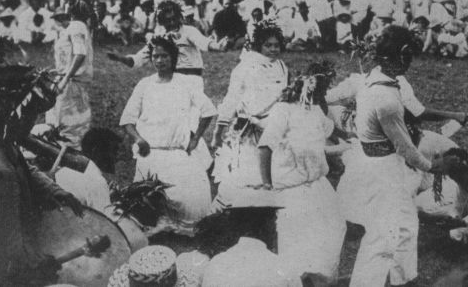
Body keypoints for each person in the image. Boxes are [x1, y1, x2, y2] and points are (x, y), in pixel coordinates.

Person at [0, 65, 84, 287]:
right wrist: (38, 264)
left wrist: (54, 190)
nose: (31, 124)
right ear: (11, 115)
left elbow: (20, 163)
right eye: (30, 116)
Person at [347, 25, 456, 287]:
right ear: (402, 54)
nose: (410, 62)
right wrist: (432, 167)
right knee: (382, 237)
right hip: (382, 169)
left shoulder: (375, 78)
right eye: (408, 56)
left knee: (406, 225)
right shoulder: (385, 97)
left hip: (385, 164)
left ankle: (404, 280)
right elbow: (404, 147)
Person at [257, 62, 346, 285]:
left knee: (333, 228)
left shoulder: (315, 110)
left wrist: (354, 137)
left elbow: (330, 129)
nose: (322, 97)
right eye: (321, 91)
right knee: (299, 239)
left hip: (318, 184)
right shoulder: (284, 110)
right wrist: (267, 184)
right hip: (292, 187)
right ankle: (298, 280)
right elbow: (265, 147)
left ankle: (318, 279)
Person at [120, 34, 216, 236]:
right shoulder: (145, 84)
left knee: (193, 204)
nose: (160, 60)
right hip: (150, 154)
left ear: (173, 58)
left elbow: (208, 111)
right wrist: (138, 139)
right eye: (155, 56)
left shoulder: (185, 83)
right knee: (146, 203)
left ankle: (177, 226)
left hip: (176, 153)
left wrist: (196, 138)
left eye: (164, 56)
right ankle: (158, 224)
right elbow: (127, 120)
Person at [211, 20, 289, 202]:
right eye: (268, 45)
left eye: (276, 45)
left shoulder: (281, 66)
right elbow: (232, 98)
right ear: (259, 46)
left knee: (275, 173)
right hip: (249, 129)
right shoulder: (245, 66)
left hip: (274, 127)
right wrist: (218, 131)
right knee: (248, 177)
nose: (273, 49)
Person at [47, 0, 95, 148]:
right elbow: (72, 55)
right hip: (69, 79)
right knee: (58, 121)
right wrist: (59, 71)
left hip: (71, 82)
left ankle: (68, 154)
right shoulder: (78, 27)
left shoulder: (76, 27)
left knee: (68, 125)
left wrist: (65, 78)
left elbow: (80, 54)